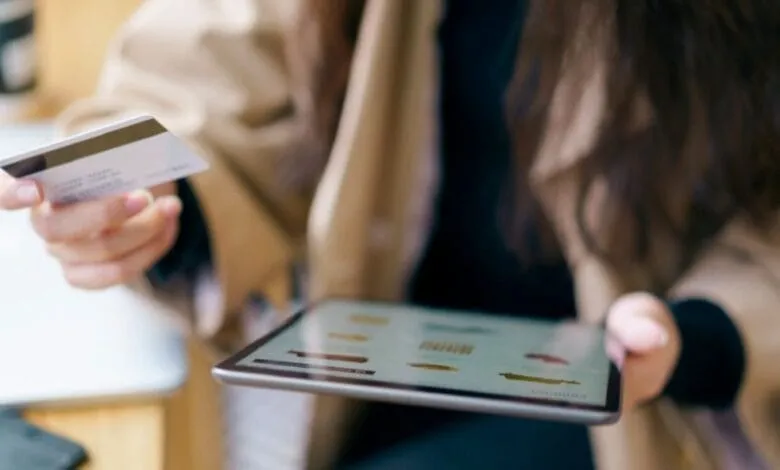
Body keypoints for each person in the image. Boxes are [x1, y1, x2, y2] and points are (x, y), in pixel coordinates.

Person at [1, 0, 779, 468]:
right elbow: (202, 65)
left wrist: (702, 338)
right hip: (391, 362)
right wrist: (152, 200)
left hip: (647, 412)